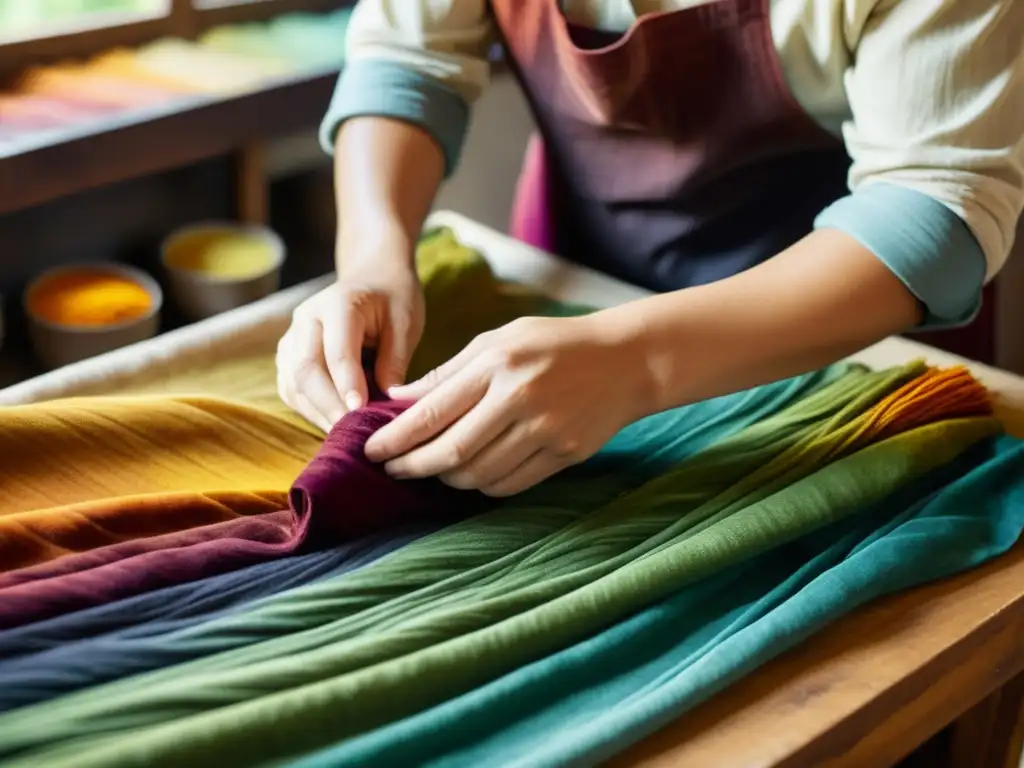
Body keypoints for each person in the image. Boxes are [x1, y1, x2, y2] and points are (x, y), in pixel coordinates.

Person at [276, 0, 1024, 497]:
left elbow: (936, 206)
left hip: (843, 334)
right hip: (573, 267)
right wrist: (374, 257)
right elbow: (411, 62)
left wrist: (636, 361)